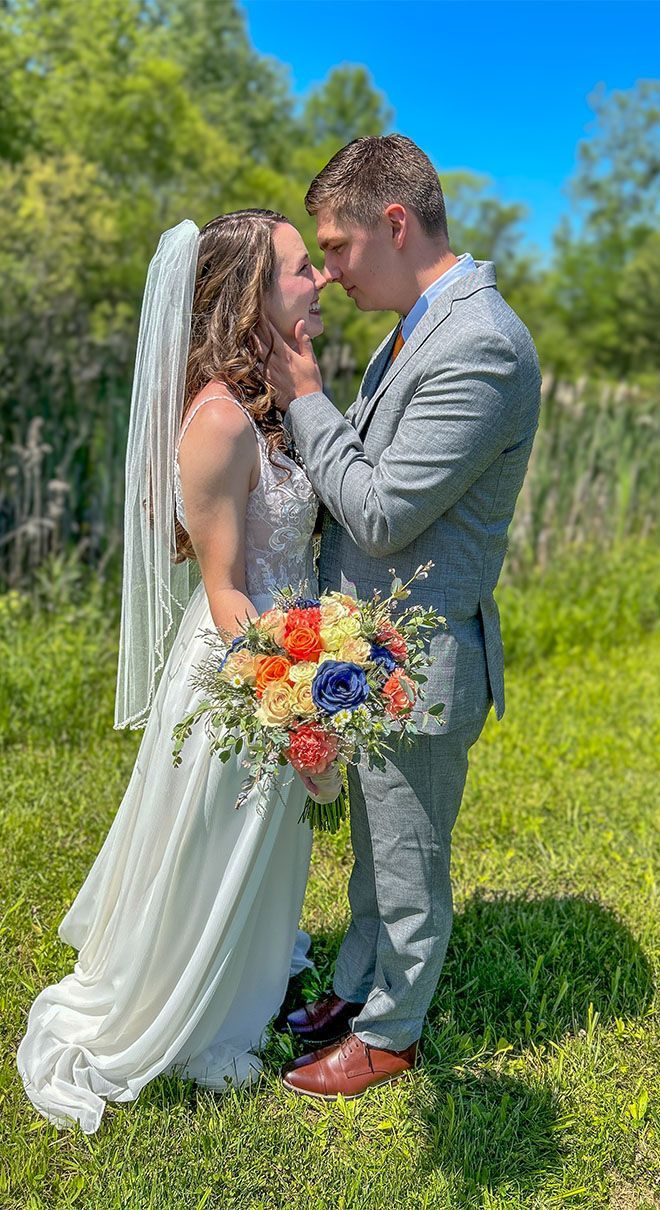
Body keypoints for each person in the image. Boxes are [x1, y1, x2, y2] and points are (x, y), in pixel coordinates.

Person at [17, 209, 328, 1134]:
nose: (318, 281)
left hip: (283, 652)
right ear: (252, 294)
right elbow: (229, 589)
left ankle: (247, 973)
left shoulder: (263, 402)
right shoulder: (220, 421)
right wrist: (293, 705)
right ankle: (179, 1006)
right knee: (211, 851)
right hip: (240, 666)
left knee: (257, 853)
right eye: (300, 269)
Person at [266, 135, 542, 1100]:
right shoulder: (417, 321)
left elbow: (382, 512)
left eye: (337, 247)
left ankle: (393, 1031)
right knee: (378, 855)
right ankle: (353, 987)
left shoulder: (481, 343)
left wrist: (304, 397)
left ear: (394, 223)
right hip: (372, 651)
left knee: (412, 861)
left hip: (421, 658)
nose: (330, 270)